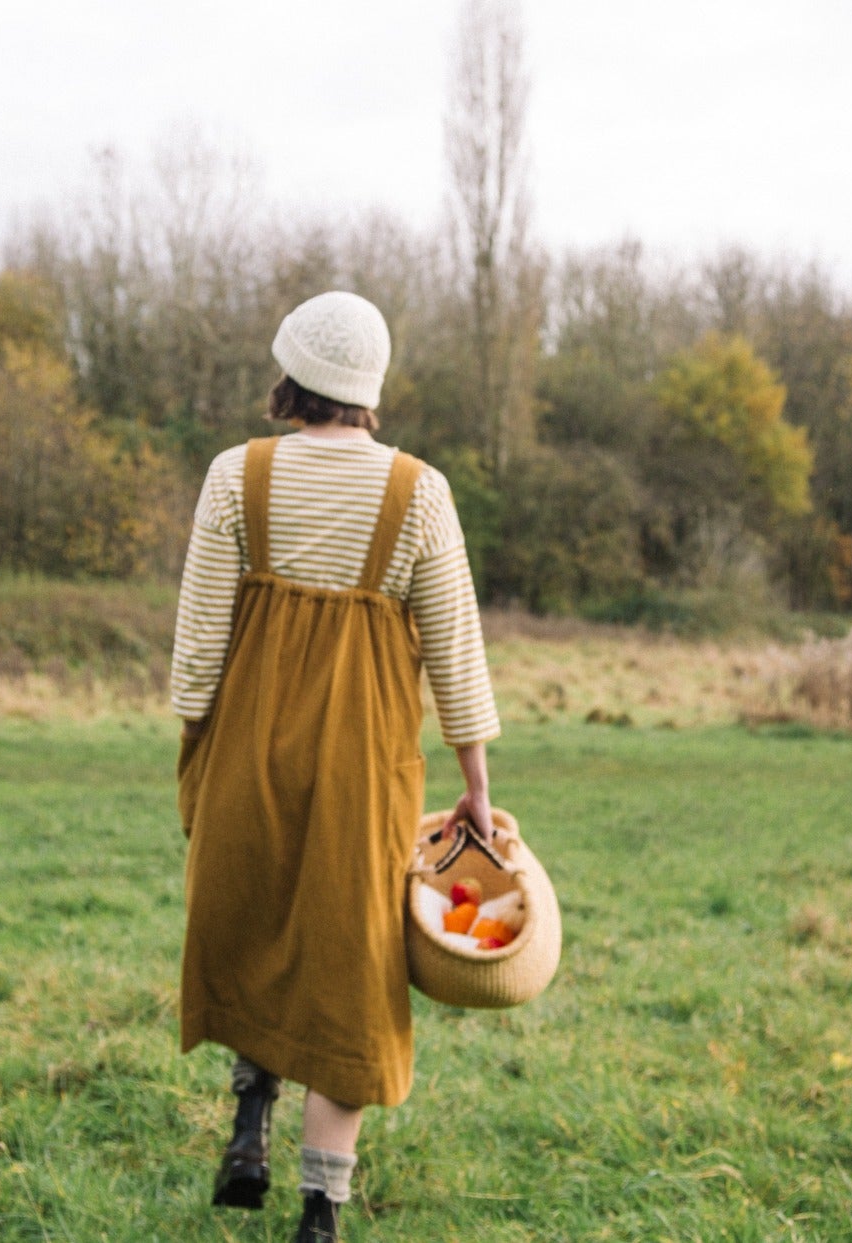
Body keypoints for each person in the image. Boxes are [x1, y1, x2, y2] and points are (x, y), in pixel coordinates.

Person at [170, 290, 501, 1242]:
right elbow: (455, 648)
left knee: (251, 920)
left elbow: (198, 643)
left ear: (288, 375)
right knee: (348, 963)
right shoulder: (418, 490)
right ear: (370, 389)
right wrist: (475, 781)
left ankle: (247, 1124)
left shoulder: (236, 476)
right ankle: (321, 1211)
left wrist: (195, 743)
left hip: (246, 744)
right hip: (366, 766)